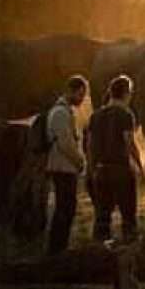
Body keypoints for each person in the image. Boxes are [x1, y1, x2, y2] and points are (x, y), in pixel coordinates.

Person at [86, 75, 143, 242]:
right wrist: (139, 167)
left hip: (101, 171)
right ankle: (130, 253)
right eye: (130, 93)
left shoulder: (95, 116)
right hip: (121, 170)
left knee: (102, 218)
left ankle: (98, 253)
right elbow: (129, 144)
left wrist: (91, 170)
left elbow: (89, 146)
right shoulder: (126, 114)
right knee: (128, 217)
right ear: (126, 93)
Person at [46, 75, 89, 255]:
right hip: (63, 168)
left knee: (67, 209)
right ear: (71, 91)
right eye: (80, 94)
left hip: (66, 167)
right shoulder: (60, 113)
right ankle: (56, 249)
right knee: (64, 209)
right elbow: (65, 143)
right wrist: (79, 161)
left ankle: (59, 248)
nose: (82, 99)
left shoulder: (65, 111)